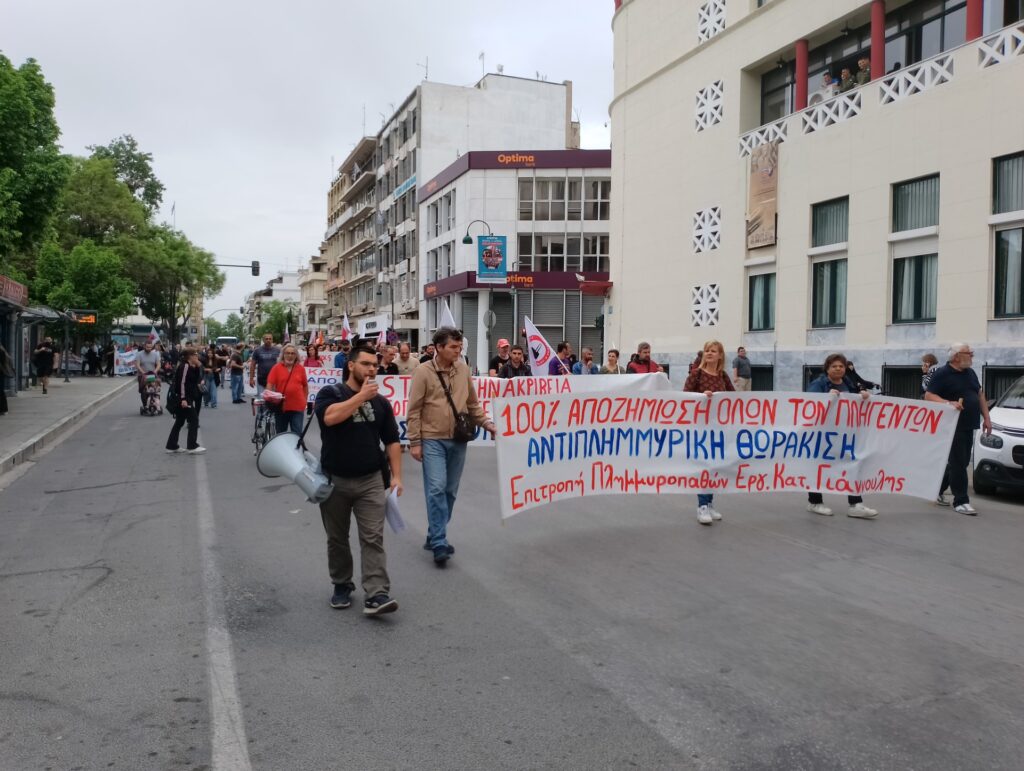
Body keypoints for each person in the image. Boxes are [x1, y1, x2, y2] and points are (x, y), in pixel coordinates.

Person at [314, 343, 402, 615]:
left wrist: (397, 476)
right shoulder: (330, 393)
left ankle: (377, 593)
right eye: (366, 364)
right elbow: (330, 418)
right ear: (351, 365)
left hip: (371, 480)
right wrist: (361, 397)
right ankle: (342, 584)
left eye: (375, 365)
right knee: (337, 538)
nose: (372, 369)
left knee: (373, 537)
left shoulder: (381, 402)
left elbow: (392, 441)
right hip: (335, 479)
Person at [407, 327, 496, 566]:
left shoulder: (464, 369)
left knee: (450, 491)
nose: (458, 351)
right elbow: (414, 409)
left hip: (458, 439)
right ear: (439, 348)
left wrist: (488, 424)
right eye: (453, 347)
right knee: (436, 488)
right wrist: (415, 441)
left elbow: (472, 404)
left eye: (460, 347)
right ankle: (439, 541)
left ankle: (434, 531)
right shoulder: (422, 372)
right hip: (432, 439)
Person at [805, 353, 879, 519]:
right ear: (827, 369)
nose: (838, 369)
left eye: (841, 366)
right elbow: (809, 404)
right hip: (822, 435)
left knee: (852, 464)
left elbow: (855, 400)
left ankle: (856, 504)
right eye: (834, 366)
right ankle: (815, 501)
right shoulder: (819, 384)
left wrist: (863, 394)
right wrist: (825, 398)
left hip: (845, 435)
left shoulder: (848, 382)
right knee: (819, 466)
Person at [925, 343, 992, 515]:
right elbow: (929, 395)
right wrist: (948, 403)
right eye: (968, 353)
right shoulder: (942, 373)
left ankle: (936, 489)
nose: (972, 355)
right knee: (958, 463)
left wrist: (987, 418)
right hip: (952, 425)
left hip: (969, 424)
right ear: (956, 356)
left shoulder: (970, 373)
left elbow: (980, 394)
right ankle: (960, 501)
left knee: (960, 461)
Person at [683, 341, 735, 525]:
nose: (709, 353)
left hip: (719, 428)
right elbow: (685, 397)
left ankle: (709, 502)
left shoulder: (723, 376)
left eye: (713, 351)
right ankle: (702, 506)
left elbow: (733, 397)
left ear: (720, 355)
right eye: (707, 350)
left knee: (714, 466)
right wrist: (701, 397)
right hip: (701, 428)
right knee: (705, 465)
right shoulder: (696, 374)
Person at [165, 348, 205, 454]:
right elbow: (182, 383)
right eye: (196, 354)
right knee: (194, 419)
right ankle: (192, 446)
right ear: (190, 356)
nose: (197, 356)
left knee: (180, 421)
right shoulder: (185, 366)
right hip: (183, 398)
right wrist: (183, 399)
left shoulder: (190, 366)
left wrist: (197, 366)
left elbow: (195, 380)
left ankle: (171, 445)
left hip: (187, 397)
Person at [266, 343, 309, 435]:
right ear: (283, 354)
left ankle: (295, 450)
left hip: (298, 407)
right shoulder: (276, 368)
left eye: (292, 353)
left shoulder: (300, 369)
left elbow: (305, 386)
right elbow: (269, 385)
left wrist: (305, 400)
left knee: (297, 435)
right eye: (287, 353)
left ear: (296, 356)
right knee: (281, 435)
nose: (290, 356)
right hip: (282, 407)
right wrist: (270, 399)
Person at [135, 341, 162, 409]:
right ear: (144, 346)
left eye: (150, 347)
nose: (149, 348)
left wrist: (155, 371)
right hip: (142, 375)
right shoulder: (139, 354)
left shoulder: (155, 354)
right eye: (147, 347)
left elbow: (158, 364)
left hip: (152, 375)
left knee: (153, 390)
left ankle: (154, 402)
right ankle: (145, 405)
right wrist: (143, 372)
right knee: (143, 391)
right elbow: (137, 364)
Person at [200, 344, 221, 408]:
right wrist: (206, 369)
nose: (210, 354)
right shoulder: (204, 360)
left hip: (214, 377)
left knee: (213, 391)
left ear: (213, 354)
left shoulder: (216, 360)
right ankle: (206, 402)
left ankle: (213, 404)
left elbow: (220, 368)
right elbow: (201, 368)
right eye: (209, 353)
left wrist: (218, 369)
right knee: (206, 391)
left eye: (211, 353)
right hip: (206, 376)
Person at [0, 342, 13, 415]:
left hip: (1, 372)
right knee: (1, 391)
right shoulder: (2, 350)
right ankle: (4, 409)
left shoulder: (1, 351)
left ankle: (4, 409)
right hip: (2, 373)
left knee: (0, 391)